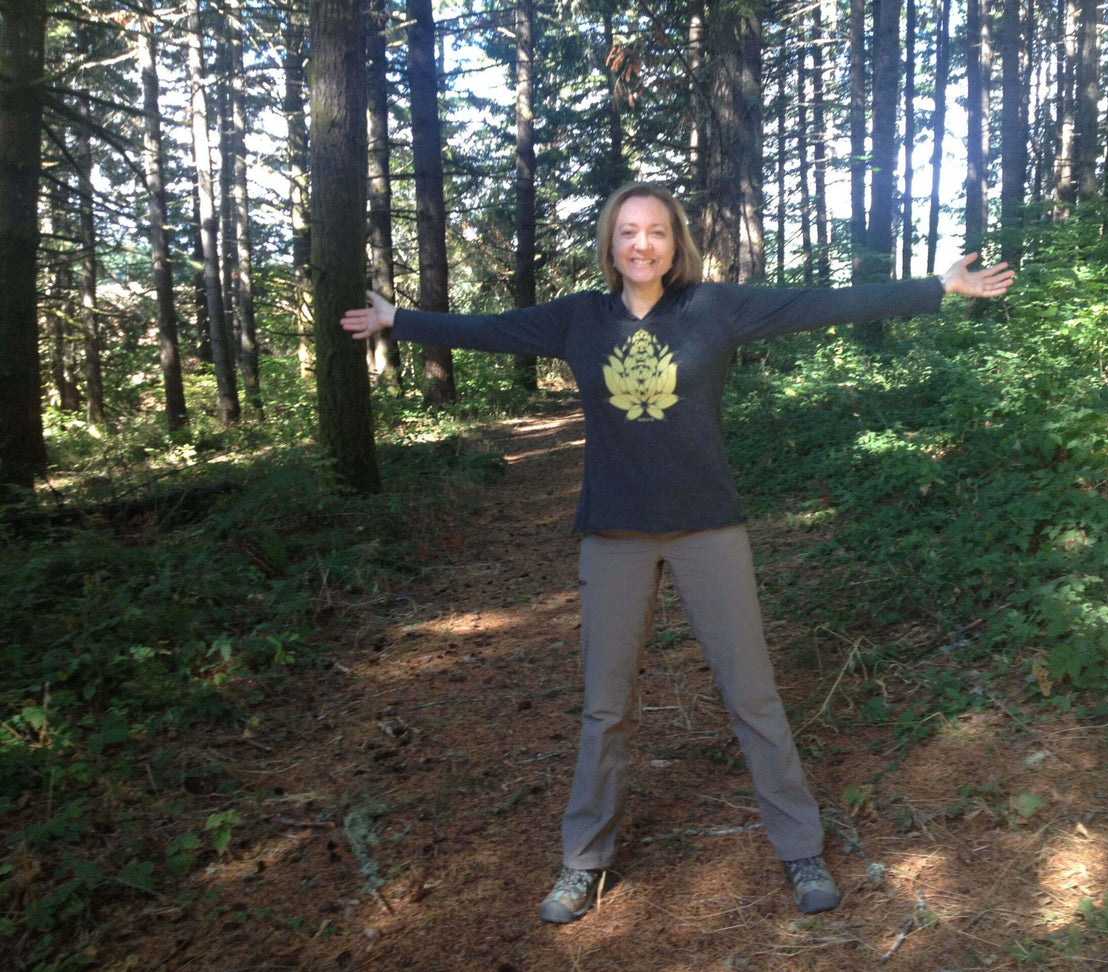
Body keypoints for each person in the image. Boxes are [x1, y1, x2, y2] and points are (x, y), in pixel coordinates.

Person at [342, 182, 1015, 924]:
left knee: (751, 695)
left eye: (656, 232)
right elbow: (490, 328)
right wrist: (397, 319)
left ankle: (799, 847)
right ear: (610, 242)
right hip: (614, 534)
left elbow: (818, 303)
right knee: (605, 707)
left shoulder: (712, 308)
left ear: (675, 242)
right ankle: (583, 859)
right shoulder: (577, 318)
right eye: (628, 231)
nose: (642, 244)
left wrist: (936, 285)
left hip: (706, 527)